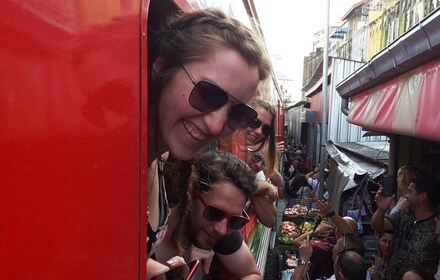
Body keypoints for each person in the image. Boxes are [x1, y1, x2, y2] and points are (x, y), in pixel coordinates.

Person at [147, 8, 271, 278]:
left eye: (236, 114)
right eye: (207, 93)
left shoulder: (164, 166)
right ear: (162, 67)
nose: (216, 126)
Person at [155, 150, 261, 279]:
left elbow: (252, 274)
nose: (221, 230)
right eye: (213, 213)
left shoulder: (223, 224)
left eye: (235, 220)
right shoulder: (156, 233)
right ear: (190, 196)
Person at [371, 172, 440, 280]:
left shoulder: (436, 225)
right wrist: (381, 209)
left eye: (409, 191)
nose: (404, 195)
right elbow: (377, 226)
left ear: (422, 196)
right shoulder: (403, 214)